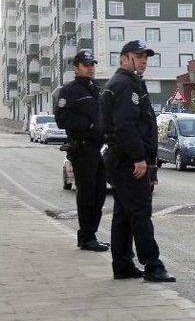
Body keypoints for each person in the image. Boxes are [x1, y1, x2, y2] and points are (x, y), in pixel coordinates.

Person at [101, 40, 175, 282]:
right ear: (124, 59)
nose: (143, 60)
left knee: (124, 213)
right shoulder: (125, 86)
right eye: (138, 55)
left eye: (146, 56)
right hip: (128, 161)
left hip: (122, 159)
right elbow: (126, 126)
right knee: (141, 212)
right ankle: (152, 265)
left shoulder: (128, 83)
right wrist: (139, 158)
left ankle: (122, 264)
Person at [54, 50, 109, 252]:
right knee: (87, 194)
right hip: (82, 147)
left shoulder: (94, 88)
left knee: (100, 193)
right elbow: (62, 119)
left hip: (96, 148)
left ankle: (90, 234)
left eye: (92, 64)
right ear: (76, 68)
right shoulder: (70, 90)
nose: (91, 68)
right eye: (86, 65)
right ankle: (86, 237)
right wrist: (90, 126)